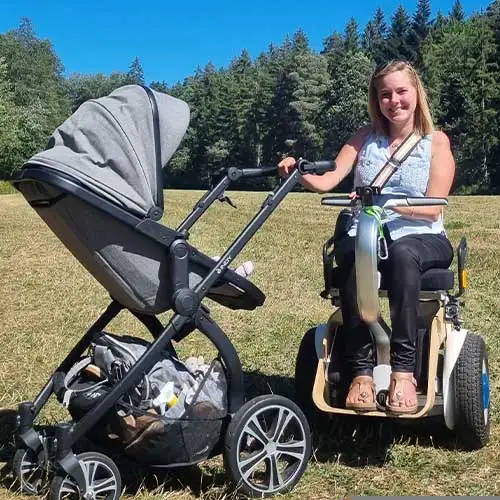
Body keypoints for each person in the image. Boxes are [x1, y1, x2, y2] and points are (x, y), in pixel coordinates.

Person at [278, 60, 455, 414]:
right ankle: (361, 372)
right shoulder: (364, 138)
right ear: (377, 99)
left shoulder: (435, 142)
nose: (394, 101)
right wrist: (299, 173)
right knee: (351, 253)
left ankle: (404, 372)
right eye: (385, 94)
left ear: (416, 93)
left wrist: (385, 202)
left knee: (403, 254)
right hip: (368, 235)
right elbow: (329, 180)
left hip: (421, 236)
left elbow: (433, 207)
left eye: (401, 92)